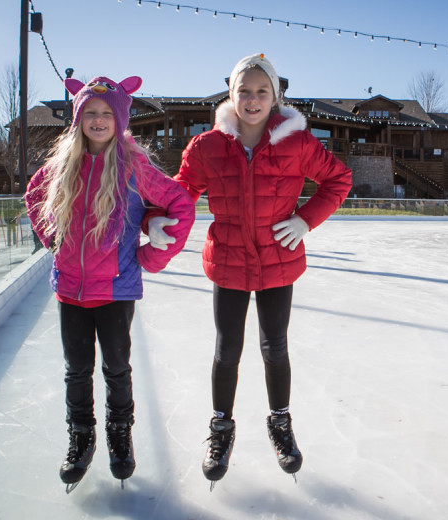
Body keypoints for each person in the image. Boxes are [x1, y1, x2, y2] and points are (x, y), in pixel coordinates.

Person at [147, 53, 352, 483]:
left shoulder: (297, 142)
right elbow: (179, 193)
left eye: (262, 91)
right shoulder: (207, 146)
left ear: (274, 97)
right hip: (228, 259)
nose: (253, 99)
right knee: (228, 349)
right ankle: (221, 428)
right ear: (231, 94)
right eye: (244, 91)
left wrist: (305, 220)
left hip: (278, 260)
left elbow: (338, 179)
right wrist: (153, 219)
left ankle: (280, 422)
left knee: (275, 347)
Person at [25, 75, 194, 491]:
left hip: (116, 290)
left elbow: (181, 203)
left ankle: (120, 434)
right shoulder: (62, 165)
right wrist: (53, 241)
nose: (98, 120)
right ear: (78, 118)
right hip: (70, 289)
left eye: (106, 113)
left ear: (119, 120)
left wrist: (152, 256)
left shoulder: (133, 167)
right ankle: (81, 436)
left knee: (117, 369)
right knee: (77, 371)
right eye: (90, 113)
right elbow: (33, 195)